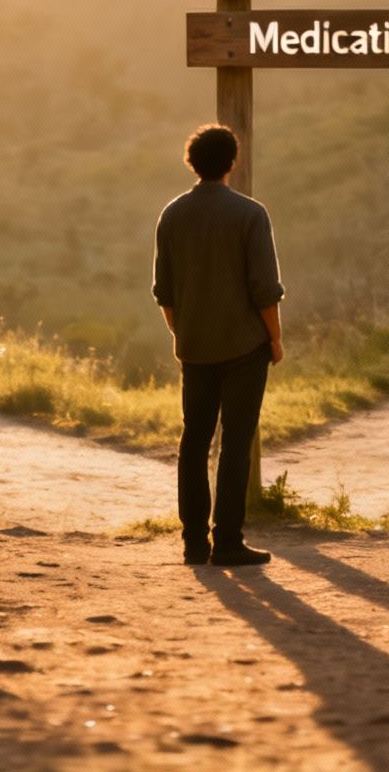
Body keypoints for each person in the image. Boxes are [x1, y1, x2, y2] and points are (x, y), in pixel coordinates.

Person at [152, 124, 284, 567]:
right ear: (233, 161)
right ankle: (228, 541)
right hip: (245, 345)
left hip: (195, 346)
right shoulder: (250, 214)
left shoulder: (172, 214)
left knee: (194, 441)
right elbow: (264, 289)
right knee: (235, 442)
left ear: (193, 162)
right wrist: (276, 338)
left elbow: (164, 293)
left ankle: (193, 543)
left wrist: (183, 334)